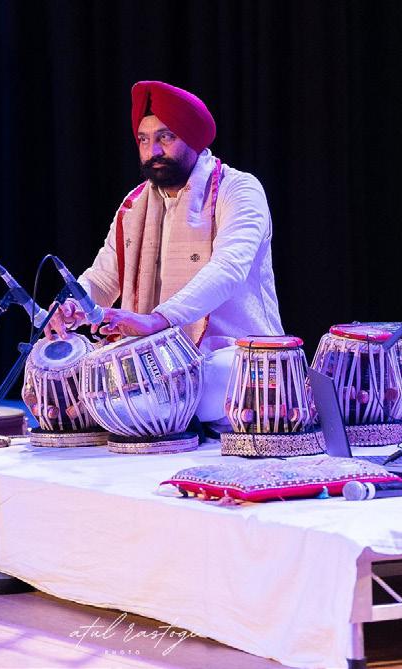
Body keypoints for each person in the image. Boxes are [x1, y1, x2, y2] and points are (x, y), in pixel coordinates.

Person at [45, 81, 283, 430]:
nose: (152, 150)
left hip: (232, 353)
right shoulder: (135, 206)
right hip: (159, 365)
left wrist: (159, 320)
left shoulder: (238, 189)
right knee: (65, 370)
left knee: (213, 379)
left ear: (193, 139)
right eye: (143, 140)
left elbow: (228, 268)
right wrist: (71, 304)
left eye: (165, 137)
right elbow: (103, 278)